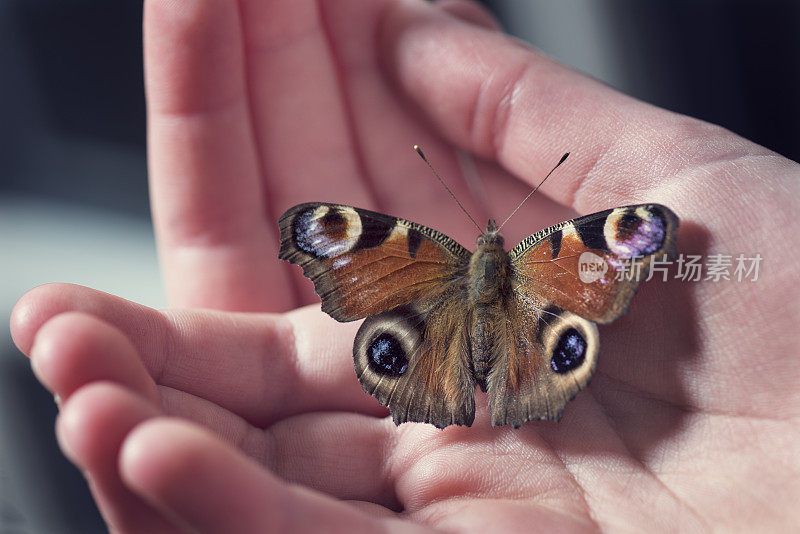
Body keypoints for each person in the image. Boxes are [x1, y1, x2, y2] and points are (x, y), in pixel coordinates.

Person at [10, 0, 799, 531]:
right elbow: (621, 234)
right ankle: (503, 384)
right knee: (545, 333)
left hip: (440, 317)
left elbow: (645, 232)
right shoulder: (553, 252)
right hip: (532, 321)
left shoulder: (431, 254)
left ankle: (463, 384)